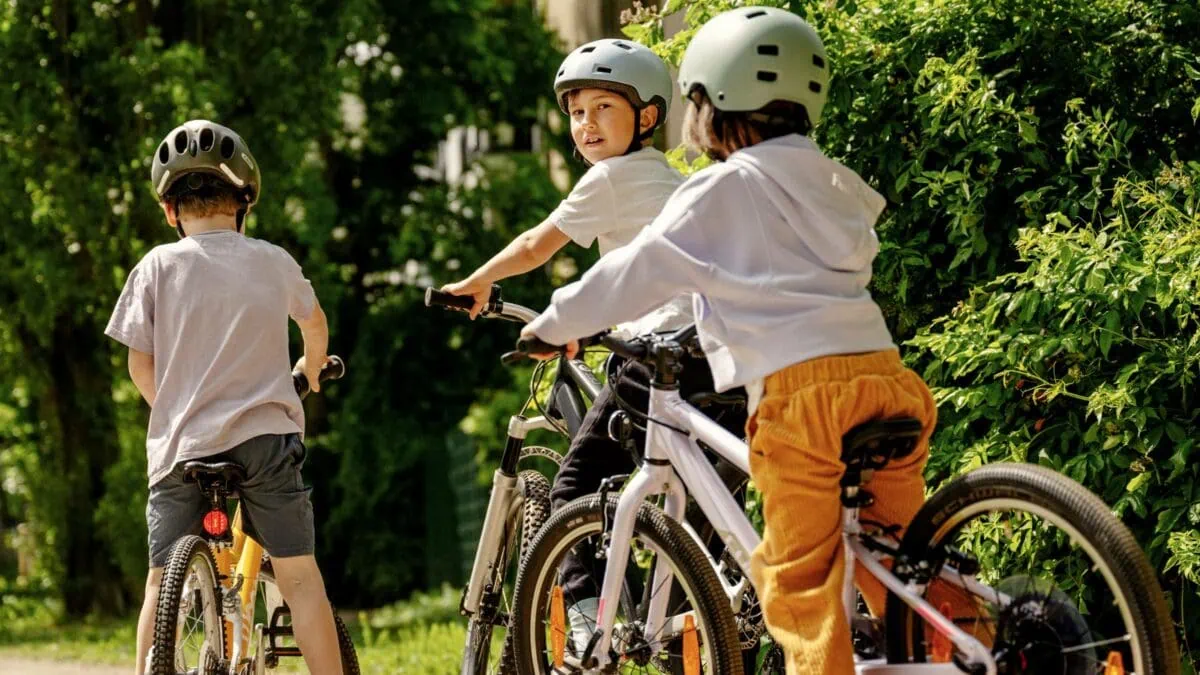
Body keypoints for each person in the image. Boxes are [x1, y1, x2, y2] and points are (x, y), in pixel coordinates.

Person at [520, 8, 937, 673]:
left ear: (711, 105)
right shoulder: (831, 181)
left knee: (801, 584)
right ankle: (958, 647)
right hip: (886, 379)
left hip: (802, 396)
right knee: (901, 560)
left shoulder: (720, 187)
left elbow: (636, 269)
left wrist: (552, 324)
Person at [443, 38, 747, 649]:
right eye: (576, 112)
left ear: (648, 117)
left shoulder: (611, 177)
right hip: (724, 359)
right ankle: (712, 636)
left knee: (574, 484)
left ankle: (585, 622)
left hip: (658, 359)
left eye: (603, 108)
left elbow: (537, 246)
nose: (586, 125)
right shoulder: (670, 180)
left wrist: (478, 283)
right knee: (701, 523)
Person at [106, 120, 343, 675]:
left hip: (183, 445)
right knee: (301, 579)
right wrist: (308, 370)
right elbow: (313, 322)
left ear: (169, 211)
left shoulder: (155, 267)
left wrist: (173, 406)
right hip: (266, 441)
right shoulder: (273, 259)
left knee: (161, 580)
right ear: (244, 202)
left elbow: (138, 362)